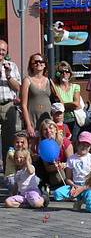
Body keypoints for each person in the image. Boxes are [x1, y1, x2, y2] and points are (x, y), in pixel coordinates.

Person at [52, 131, 91, 213]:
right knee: (57, 194)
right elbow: (68, 178)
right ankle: (78, 199)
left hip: (88, 186)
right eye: (82, 144)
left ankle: (85, 200)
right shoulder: (71, 159)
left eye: (87, 145)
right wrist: (73, 185)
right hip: (75, 186)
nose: (84, 147)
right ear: (77, 143)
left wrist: (83, 188)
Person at [0, 40, 22, 170]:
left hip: (8, 105)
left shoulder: (12, 66)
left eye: (3, 50)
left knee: (9, 140)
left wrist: (8, 75)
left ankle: (8, 170)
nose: (1, 52)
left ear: (6, 51)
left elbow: (17, 87)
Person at [20, 53, 51, 138]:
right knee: (33, 147)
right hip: (33, 119)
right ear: (31, 65)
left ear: (45, 65)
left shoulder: (49, 81)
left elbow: (59, 99)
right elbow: (23, 105)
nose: (39, 63)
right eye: (36, 61)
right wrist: (28, 125)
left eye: (41, 61)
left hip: (47, 119)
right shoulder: (27, 80)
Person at [51, 61, 82, 138]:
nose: (64, 74)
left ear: (70, 73)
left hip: (74, 119)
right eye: (61, 72)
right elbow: (57, 105)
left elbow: (76, 104)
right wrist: (68, 105)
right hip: (60, 120)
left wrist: (62, 105)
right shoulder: (55, 88)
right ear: (58, 74)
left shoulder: (75, 86)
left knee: (73, 143)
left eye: (67, 71)